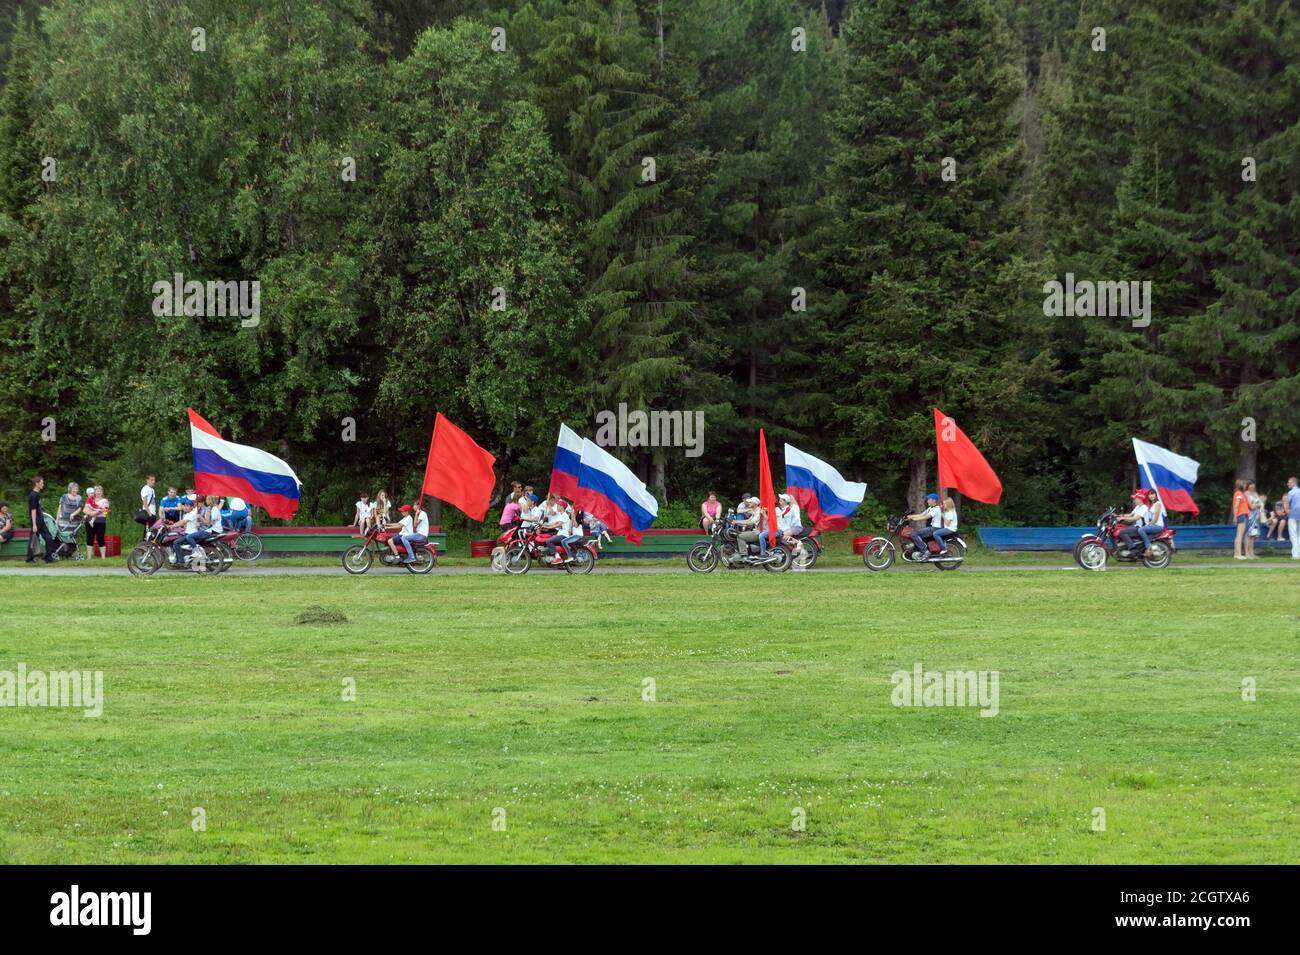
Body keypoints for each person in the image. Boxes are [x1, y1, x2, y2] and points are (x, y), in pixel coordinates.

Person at [25, 476, 58, 562]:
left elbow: (38, 509)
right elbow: (33, 510)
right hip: (36, 521)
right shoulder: (33, 495)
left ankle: (48, 557)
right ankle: (30, 558)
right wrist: (34, 524)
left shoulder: (38, 494)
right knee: (33, 539)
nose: (43, 484)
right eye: (42, 483)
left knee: (49, 538)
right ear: (37, 483)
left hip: (40, 520)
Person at [82, 485, 109, 559]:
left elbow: (105, 512)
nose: (98, 492)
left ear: (102, 492)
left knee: (101, 538)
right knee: (89, 538)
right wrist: (91, 513)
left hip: (101, 522)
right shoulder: (90, 499)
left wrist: (96, 512)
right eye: (97, 491)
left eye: (100, 491)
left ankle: (103, 557)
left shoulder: (105, 501)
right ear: (94, 492)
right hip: (89, 521)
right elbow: (84, 510)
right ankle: (89, 557)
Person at [1136, 489, 1164, 553]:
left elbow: (1156, 518)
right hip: (1154, 524)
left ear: (1156, 495)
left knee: (1141, 530)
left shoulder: (1158, 504)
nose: (1151, 496)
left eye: (1153, 494)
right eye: (1149, 494)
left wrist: (1149, 524)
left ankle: (1149, 549)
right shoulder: (1152, 504)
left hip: (1158, 526)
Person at [1231, 480, 1249, 560]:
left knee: (1239, 535)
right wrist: (1235, 516)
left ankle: (1236, 553)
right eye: (1244, 485)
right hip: (1241, 515)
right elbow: (1236, 506)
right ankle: (1238, 554)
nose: (1246, 486)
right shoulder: (1238, 493)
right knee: (1239, 535)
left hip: (1243, 515)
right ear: (1241, 486)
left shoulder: (1240, 494)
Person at [1287, 477, 1300, 560]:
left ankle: (1295, 554)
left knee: (1293, 535)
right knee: (1299, 534)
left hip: (1293, 515)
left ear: (1294, 483)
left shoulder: (1291, 492)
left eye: (1289, 482)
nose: (1288, 484)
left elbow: (1288, 504)